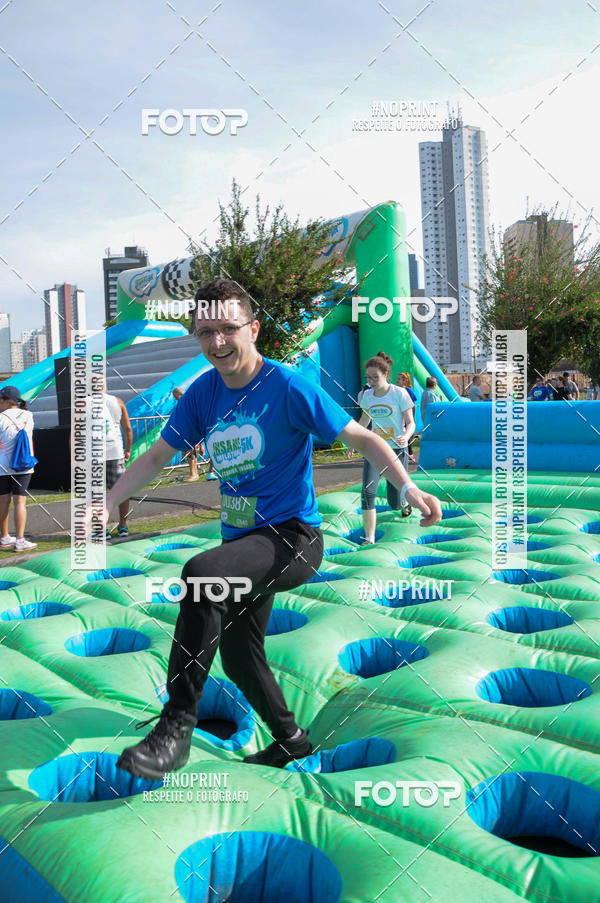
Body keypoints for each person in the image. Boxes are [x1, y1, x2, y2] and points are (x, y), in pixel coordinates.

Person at [100, 279, 442, 779]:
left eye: (227, 329)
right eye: (204, 332)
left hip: (294, 539)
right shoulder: (203, 393)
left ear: (252, 328)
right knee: (240, 657)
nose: (216, 342)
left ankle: (176, 728)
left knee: (201, 575)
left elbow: (364, 438)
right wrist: (109, 501)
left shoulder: (287, 386)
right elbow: (155, 455)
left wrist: (408, 487)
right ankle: (292, 742)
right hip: (243, 545)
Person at [358, 352, 415, 544]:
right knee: (367, 492)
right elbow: (365, 420)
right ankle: (369, 537)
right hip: (375, 449)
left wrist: (406, 436)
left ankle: (404, 503)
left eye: (376, 377)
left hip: (397, 450)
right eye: (368, 377)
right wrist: (355, 439)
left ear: (385, 374)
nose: (371, 381)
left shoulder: (399, 393)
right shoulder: (366, 396)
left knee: (394, 502)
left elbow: (410, 422)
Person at [0, 386, 37, 551]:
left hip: (2, 466)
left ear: (8, 401)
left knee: (3, 501)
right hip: (23, 465)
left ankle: (5, 537)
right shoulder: (29, 416)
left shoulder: (0, 418)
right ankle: (20, 540)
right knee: (20, 501)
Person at [101, 385, 133, 538]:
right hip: (115, 451)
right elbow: (127, 428)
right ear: (105, 387)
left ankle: (101, 528)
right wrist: (128, 449)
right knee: (122, 490)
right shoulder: (118, 401)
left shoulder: (83, 404)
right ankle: (123, 525)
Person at [396, 372, 417, 462]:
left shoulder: (408, 390)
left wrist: (412, 418)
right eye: (397, 378)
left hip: (406, 416)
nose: (397, 380)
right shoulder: (395, 390)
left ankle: (410, 453)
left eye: (399, 379)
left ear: (404, 381)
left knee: (407, 433)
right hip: (398, 416)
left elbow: (412, 406)